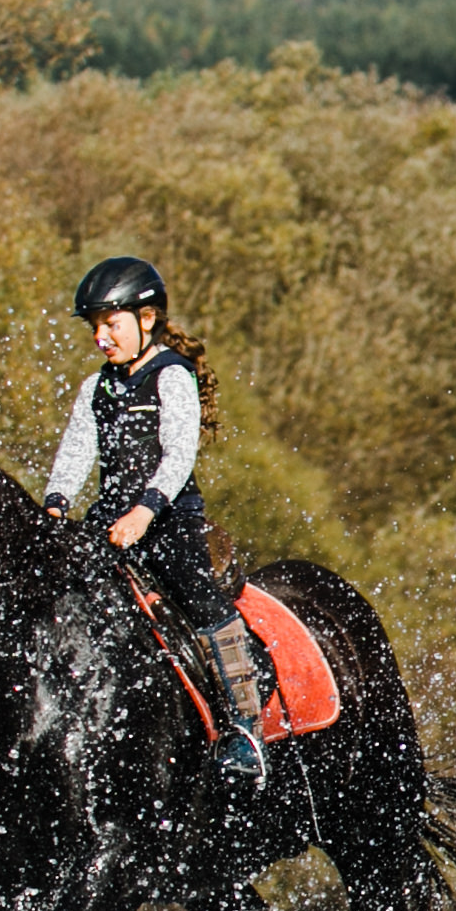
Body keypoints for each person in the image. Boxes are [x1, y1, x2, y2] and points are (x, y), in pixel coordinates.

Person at [42, 256, 268, 786]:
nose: (101, 337)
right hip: (110, 523)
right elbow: (76, 454)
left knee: (200, 597)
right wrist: (55, 504)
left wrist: (145, 511)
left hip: (169, 520)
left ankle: (245, 731)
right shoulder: (94, 390)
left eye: (110, 325)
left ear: (147, 320)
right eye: (94, 327)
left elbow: (178, 453)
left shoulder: (171, 376)